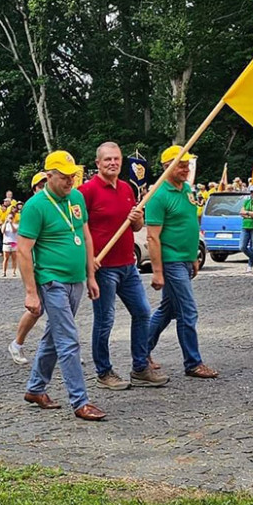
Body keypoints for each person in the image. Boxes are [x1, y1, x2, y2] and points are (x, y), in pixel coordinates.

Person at [18, 151, 106, 420]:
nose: (70, 182)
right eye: (64, 177)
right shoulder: (35, 206)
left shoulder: (76, 198)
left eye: (72, 176)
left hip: (75, 280)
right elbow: (23, 250)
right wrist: (32, 292)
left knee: (53, 338)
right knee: (68, 340)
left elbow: (86, 236)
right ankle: (80, 401)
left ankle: (35, 388)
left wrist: (90, 275)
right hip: (52, 281)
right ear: (49, 177)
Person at [82, 142, 169, 390]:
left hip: (128, 266)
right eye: (108, 159)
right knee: (104, 321)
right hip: (103, 267)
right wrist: (89, 261)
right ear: (97, 163)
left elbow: (136, 228)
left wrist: (138, 219)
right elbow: (79, 227)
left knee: (142, 312)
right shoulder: (86, 191)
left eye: (116, 159)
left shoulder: (126, 189)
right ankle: (104, 372)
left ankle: (140, 368)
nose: (113, 163)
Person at [146, 146, 219, 379]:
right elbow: (152, 236)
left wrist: (193, 257)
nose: (186, 169)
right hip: (171, 261)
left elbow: (189, 223)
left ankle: (141, 351)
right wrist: (157, 271)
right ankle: (193, 362)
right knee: (188, 311)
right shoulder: (158, 196)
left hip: (185, 260)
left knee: (167, 310)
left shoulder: (187, 189)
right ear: (166, 167)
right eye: (180, 164)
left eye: (187, 164)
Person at [7, 172, 49, 365]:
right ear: (34, 190)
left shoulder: (57, 206)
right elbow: (25, 246)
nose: (44, 188)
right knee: (36, 310)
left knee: (57, 310)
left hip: (50, 267)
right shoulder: (33, 209)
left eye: (46, 184)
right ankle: (17, 344)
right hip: (35, 266)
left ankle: (63, 347)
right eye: (40, 186)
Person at [2, 209, 19, 276]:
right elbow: (2, 231)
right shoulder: (4, 225)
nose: (10, 219)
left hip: (13, 243)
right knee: (5, 259)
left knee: (14, 258)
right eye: (9, 218)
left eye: (11, 218)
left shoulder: (16, 225)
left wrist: (11, 223)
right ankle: (4, 272)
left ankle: (14, 272)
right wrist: (5, 223)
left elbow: (14, 231)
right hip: (6, 243)